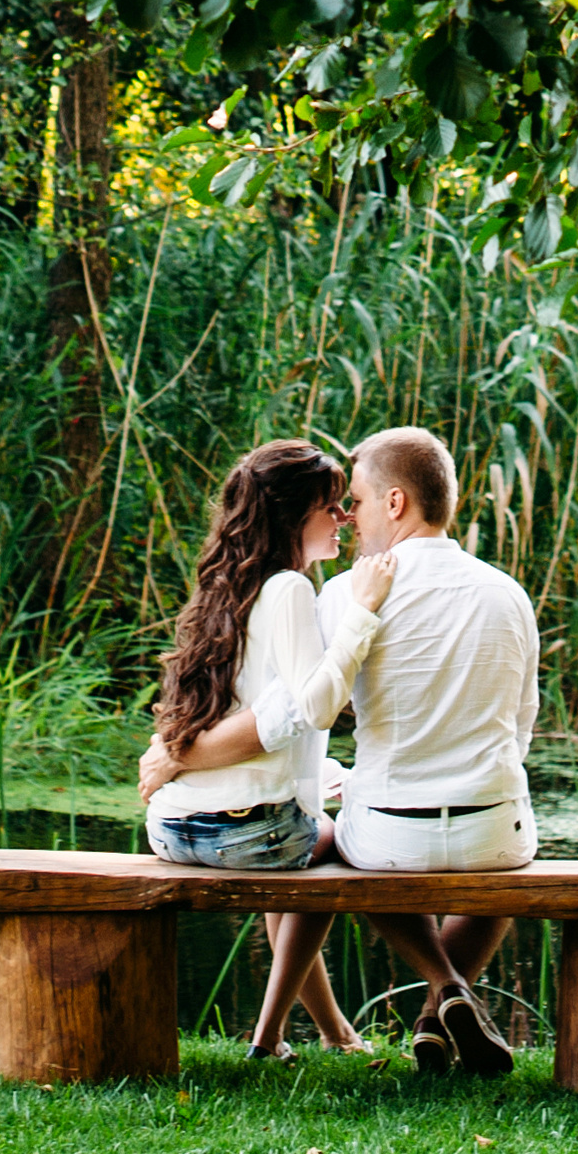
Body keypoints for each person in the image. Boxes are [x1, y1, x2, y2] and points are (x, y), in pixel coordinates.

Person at [141, 423, 539, 1079]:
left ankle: (443, 993)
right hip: (493, 829)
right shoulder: (508, 594)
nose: (346, 513)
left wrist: (181, 752)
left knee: (339, 847)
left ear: (394, 504)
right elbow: (518, 728)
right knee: (502, 850)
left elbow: (288, 709)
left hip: (385, 837)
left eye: (354, 498)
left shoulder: (338, 592)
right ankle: (432, 1013)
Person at [138, 435, 397, 1058]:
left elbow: (269, 712)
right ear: (291, 515)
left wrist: (320, 773)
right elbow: (314, 706)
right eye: (330, 506)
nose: (343, 519)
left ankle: (325, 1033)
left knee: (296, 838)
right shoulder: (289, 588)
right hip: (248, 834)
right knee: (337, 842)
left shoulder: (225, 590)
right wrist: (362, 613)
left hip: (172, 828)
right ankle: (272, 1033)